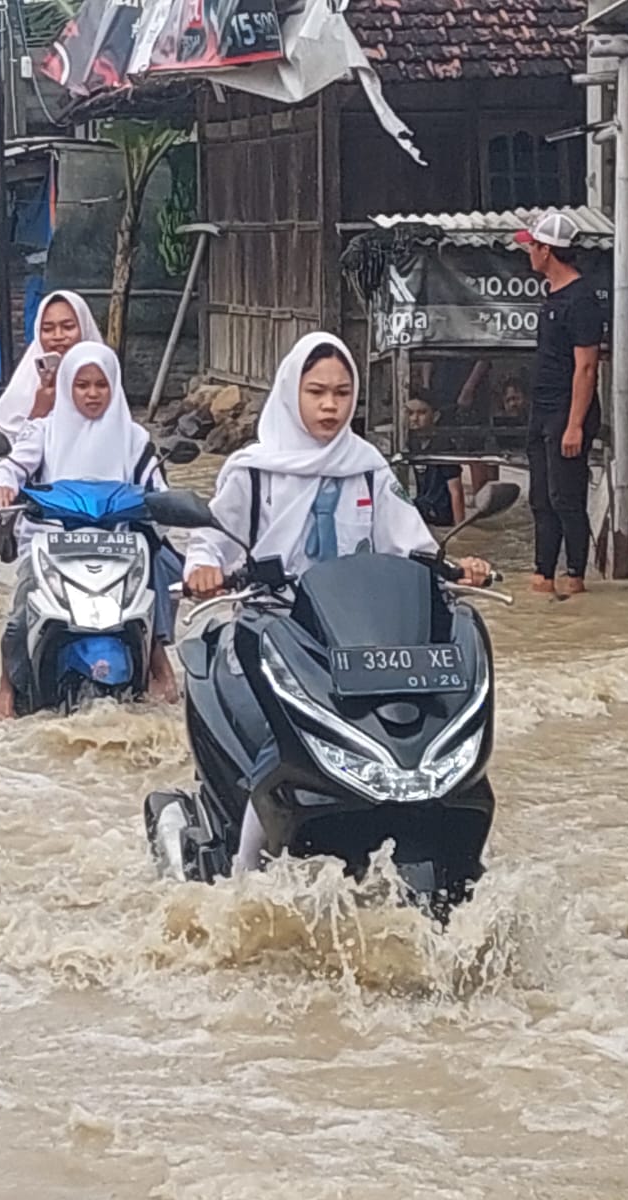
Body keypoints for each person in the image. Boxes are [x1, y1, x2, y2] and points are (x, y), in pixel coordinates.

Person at [182, 333, 491, 872]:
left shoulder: (368, 466)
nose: (330, 405)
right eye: (317, 391)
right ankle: (244, 878)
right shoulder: (252, 471)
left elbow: (411, 544)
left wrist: (458, 566)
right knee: (276, 750)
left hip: (357, 636)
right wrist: (203, 570)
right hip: (274, 628)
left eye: (343, 393)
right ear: (291, 393)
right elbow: (212, 538)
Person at [0, 343, 181, 718]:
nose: (92, 394)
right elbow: (10, 467)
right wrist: (3, 485)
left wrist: (167, 504)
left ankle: (157, 661)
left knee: (150, 591)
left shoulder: (135, 438)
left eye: (101, 385)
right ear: (66, 389)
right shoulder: (43, 432)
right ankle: (6, 688)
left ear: (114, 387)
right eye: (82, 385)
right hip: (50, 544)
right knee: (22, 603)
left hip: (118, 546)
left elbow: (156, 486)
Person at [515, 211, 604, 596]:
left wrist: (575, 424)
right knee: (540, 496)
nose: (528, 254)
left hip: (568, 410)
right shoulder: (551, 293)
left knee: (565, 497)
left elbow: (586, 368)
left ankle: (575, 575)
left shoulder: (581, 299)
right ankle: (543, 572)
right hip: (543, 406)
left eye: (531, 246)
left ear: (546, 250)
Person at [0, 290, 104, 434]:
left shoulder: (103, 380)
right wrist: (40, 410)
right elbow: (12, 445)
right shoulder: (28, 384)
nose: (58, 336)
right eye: (48, 329)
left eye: (68, 327)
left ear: (84, 329)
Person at [403, 396, 465, 525]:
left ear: (435, 416)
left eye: (422, 413)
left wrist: (459, 529)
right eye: (410, 413)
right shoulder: (412, 444)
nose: (414, 418)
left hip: (438, 512)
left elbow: (456, 491)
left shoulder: (443, 446)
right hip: (422, 507)